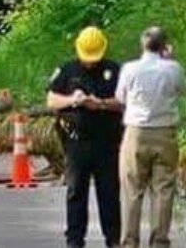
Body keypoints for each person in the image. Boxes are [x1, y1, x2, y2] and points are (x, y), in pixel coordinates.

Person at [47, 26, 123, 248]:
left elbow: (125, 102)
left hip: (107, 143)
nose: (90, 63)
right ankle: (75, 239)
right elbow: (51, 100)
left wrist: (100, 104)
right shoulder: (67, 71)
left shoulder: (114, 70)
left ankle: (113, 239)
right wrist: (72, 100)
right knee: (75, 192)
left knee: (109, 193)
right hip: (77, 142)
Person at [115, 26, 185, 248]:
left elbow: (120, 97)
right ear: (164, 46)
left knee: (131, 190)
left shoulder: (129, 69)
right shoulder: (173, 68)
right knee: (163, 190)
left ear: (142, 44)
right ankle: (159, 242)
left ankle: (129, 241)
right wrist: (169, 60)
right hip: (165, 132)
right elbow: (181, 90)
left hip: (136, 132)